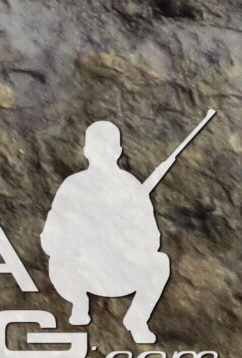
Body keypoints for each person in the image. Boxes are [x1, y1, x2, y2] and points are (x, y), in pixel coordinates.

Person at [45, 121, 176, 343]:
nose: (102, 153)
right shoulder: (73, 185)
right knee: (57, 261)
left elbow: (152, 239)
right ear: (86, 151)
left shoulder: (131, 186)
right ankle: (79, 302)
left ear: (117, 151)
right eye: (97, 148)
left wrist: (125, 239)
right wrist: (79, 239)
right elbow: (50, 238)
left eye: (107, 147)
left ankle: (137, 319)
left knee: (160, 262)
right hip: (81, 272)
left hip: (120, 272)